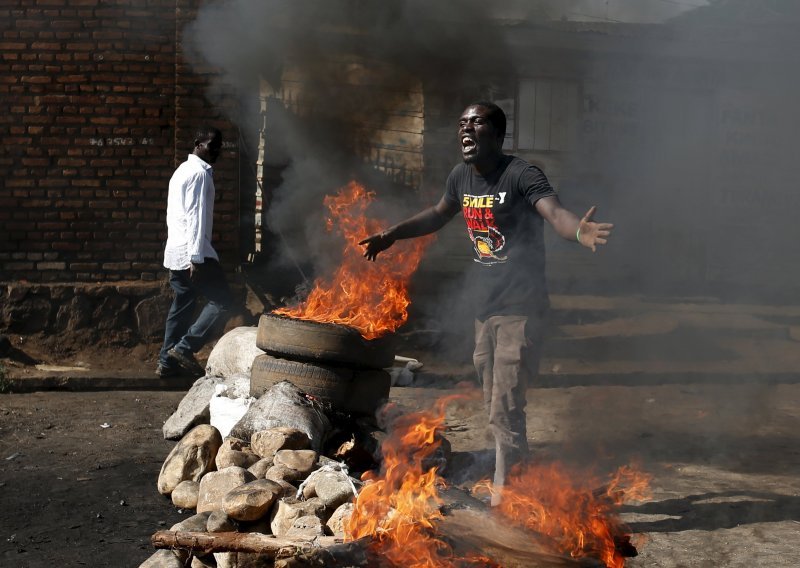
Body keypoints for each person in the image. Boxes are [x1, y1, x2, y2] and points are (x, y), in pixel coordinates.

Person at [359, 102, 612, 502]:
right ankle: (522, 479)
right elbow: (438, 214)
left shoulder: (522, 174)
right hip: (485, 312)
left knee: (505, 409)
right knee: (496, 404)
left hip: (520, 311)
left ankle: (505, 497)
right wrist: (392, 234)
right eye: (462, 123)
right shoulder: (461, 176)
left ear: (496, 134)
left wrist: (579, 232)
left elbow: (556, 214)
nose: (466, 129)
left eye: (476, 122)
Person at [156, 126, 232, 378]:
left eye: (220, 145)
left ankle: (166, 362)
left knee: (182, 306)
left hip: (176, 251)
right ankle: (185, 349)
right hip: (194, 253)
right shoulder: (199, 174)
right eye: (213, 145)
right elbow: (196, 218)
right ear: (198, 143)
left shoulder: (181, 171)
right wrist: (197, 258)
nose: (217, 150)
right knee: (223, 302)